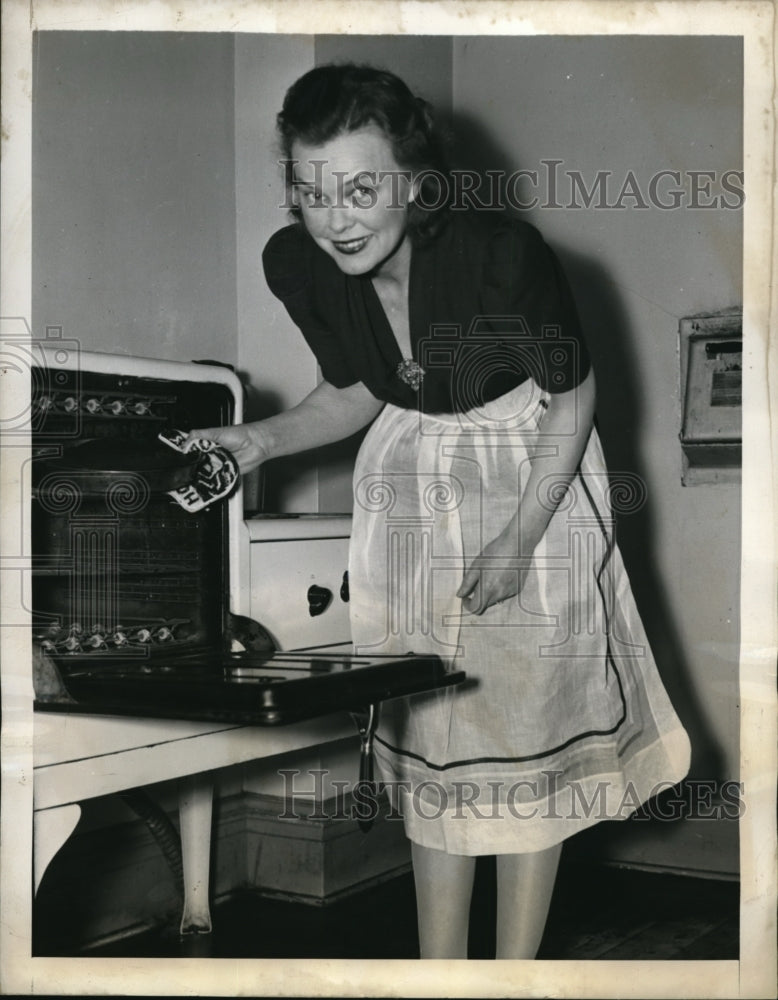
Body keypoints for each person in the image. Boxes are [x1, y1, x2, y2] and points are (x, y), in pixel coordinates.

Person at [188, 63, 690, 959]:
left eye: (360, 188)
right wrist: (259, 441)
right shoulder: (297, 264)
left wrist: (518, 541)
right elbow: (354, 391)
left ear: (415, 182)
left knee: (526, 736)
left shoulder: (502, 257)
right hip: (414, 486)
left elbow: (573, 402)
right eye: (309, 192)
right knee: (434, 732)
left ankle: (512, 977)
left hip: (531, 475)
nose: (336, 216)